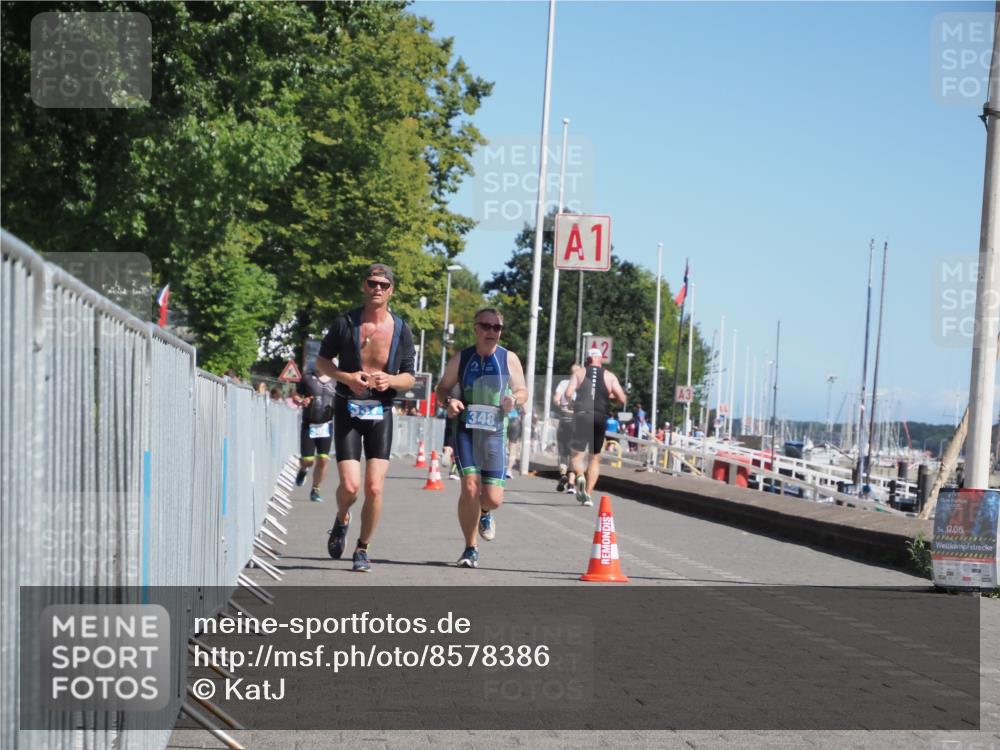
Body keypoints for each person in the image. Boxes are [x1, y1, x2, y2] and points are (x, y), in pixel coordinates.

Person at [315, 263, 416, 572]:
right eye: (373, 283)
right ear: (364, 285)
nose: (378, 288)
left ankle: (362, 548)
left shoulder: (400, 328)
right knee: (349, 487)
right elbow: (321, 362)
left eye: (384, 285)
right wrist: (346, 377)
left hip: (381, 412)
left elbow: (410, 377)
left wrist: (391, 381)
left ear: (391, 291)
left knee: (374, 488)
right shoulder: (344, 323)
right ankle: (342, 518)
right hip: (348, 408)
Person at [436, 307, 527, 568]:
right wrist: (450, 401)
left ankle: (485, 512)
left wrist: (515, 399)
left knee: (493, 499)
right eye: (485, 326)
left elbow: (522, 390)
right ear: (476, 328)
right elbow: (441, 389)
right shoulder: (461, 359)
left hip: (495, 433)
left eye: (496, 328)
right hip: (466, 430)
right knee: (469, 487)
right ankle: (470, 548)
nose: (491, 332)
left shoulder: (509, 359)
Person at [564, 347, 627, 506]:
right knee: (594, 457)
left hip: (582, 415)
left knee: (576, 454)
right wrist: (608, 395)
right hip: (600, 417)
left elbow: (568, 393)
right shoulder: (609, 376)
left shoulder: (579, 373)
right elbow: (622, 398)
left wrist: (572, 403)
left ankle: (579, 475)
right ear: (600, 359)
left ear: (588, 360)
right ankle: (588, 495)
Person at [294, 371, 337, 502]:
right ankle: (303, 469)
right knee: (308, 460)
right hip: (309, 424)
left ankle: (315, 489)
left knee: (323, 459)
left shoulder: (337, 380)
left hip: (326, 425)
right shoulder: (308, 378)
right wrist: (301, 401)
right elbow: (295, 395)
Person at [552, 365, 582, 494]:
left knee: (563, 452)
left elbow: (556, 400)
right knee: (574, 455)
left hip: (564, 420)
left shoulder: (563, 383)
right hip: (577, 422)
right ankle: (571, 484)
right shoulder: (582, 386)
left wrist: (562, 406)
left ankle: (563, 474)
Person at [505, 405, 523, 479]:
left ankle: (499, 468)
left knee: (501, 444)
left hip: (504, 418)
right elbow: (525, 410)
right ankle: (509, 470)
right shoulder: (519, 395)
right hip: (515, 421)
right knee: (513, 448)